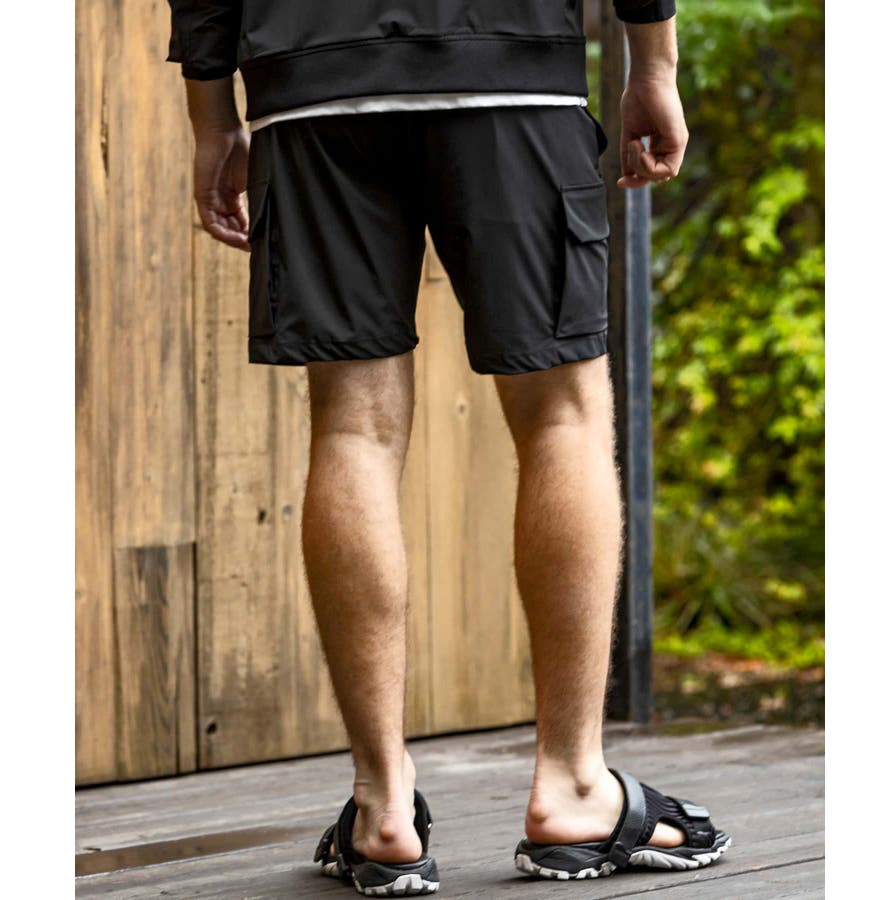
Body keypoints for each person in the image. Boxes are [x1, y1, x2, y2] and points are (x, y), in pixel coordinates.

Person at [167, 1, 730, 894]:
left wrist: (212, 116)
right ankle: (573, 788)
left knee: (351, 425)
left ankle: (382, 806)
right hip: (512, 66)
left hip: (312, 79)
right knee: (563, 414)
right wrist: (651, 62)